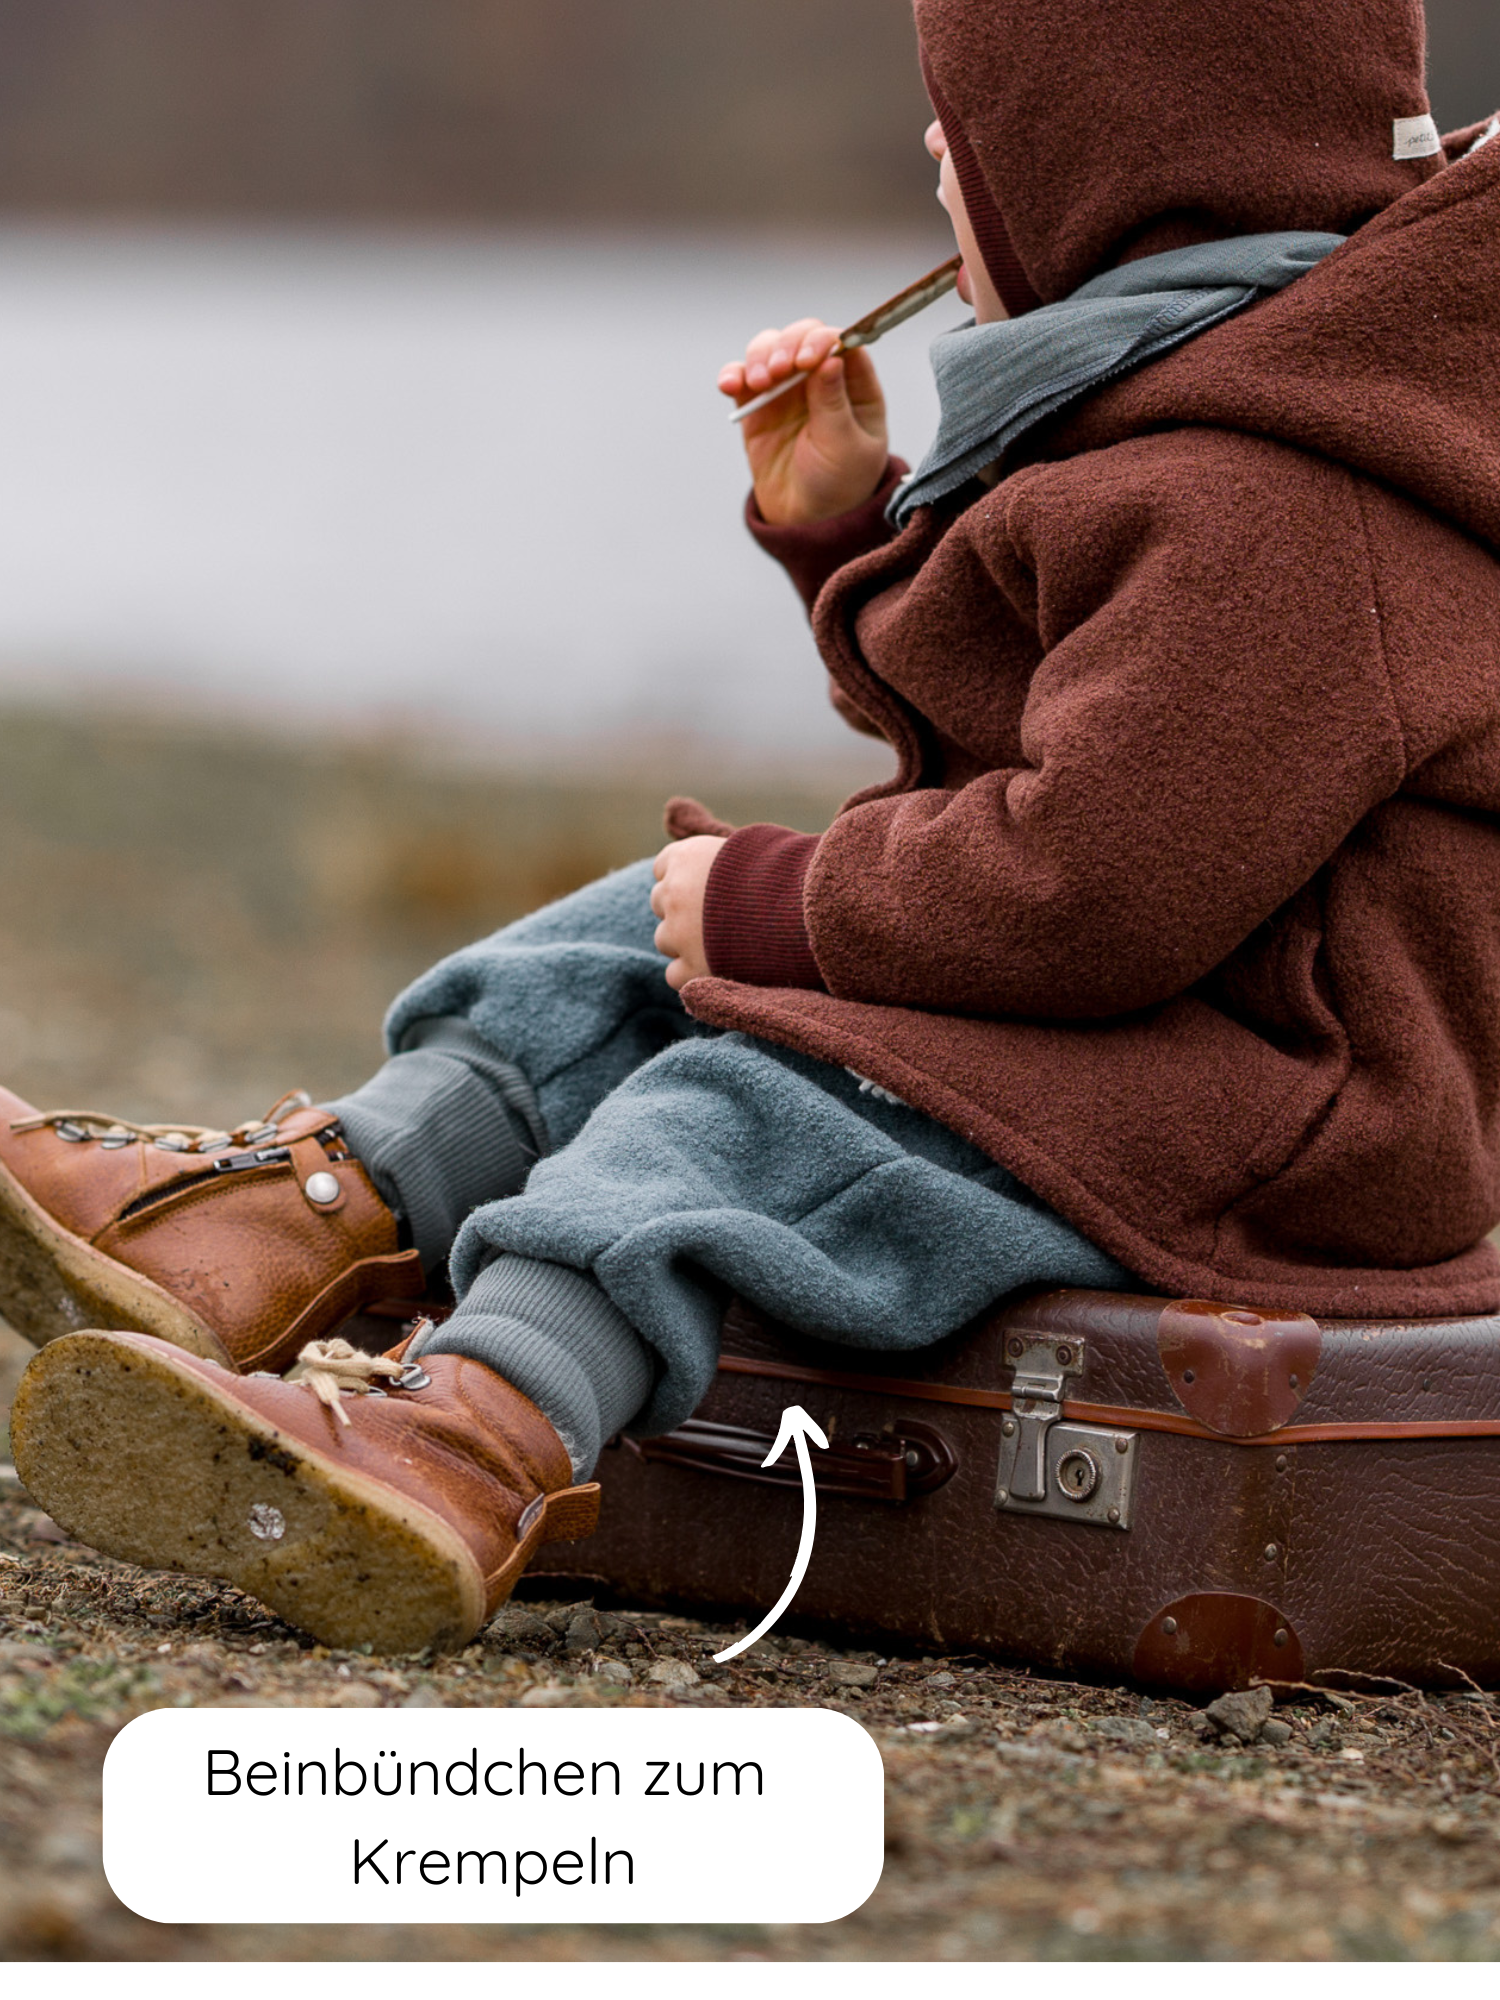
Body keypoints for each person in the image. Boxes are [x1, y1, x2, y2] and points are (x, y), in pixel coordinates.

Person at [7, 0, 1500, 1654]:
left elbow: (1095, 884)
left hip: (1291, 1101)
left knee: (755, 1093)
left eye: (972, 125)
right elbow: (1062, 747)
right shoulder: (1213, 405)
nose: (937, 152)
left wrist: (789, 911)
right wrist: (846, 529)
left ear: (1111, 167)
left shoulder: (1282, 497)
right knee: (627, 934)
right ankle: (283, 1220)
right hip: (1178, 1026)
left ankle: (470, 1440)